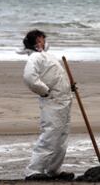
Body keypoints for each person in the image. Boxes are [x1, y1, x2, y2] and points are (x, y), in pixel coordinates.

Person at [18, 29, 74, 181]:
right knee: (50, 135)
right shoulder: (35, 58)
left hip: (64, 99)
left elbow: (55, 76)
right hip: (52, 100)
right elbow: (30, 78)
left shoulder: (47, 55)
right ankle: (33, 170)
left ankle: (53, 169)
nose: (44, 40)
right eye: (42, 38)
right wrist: (44, 91)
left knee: (62, 137)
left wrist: (70, 87)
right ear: (37, 41)